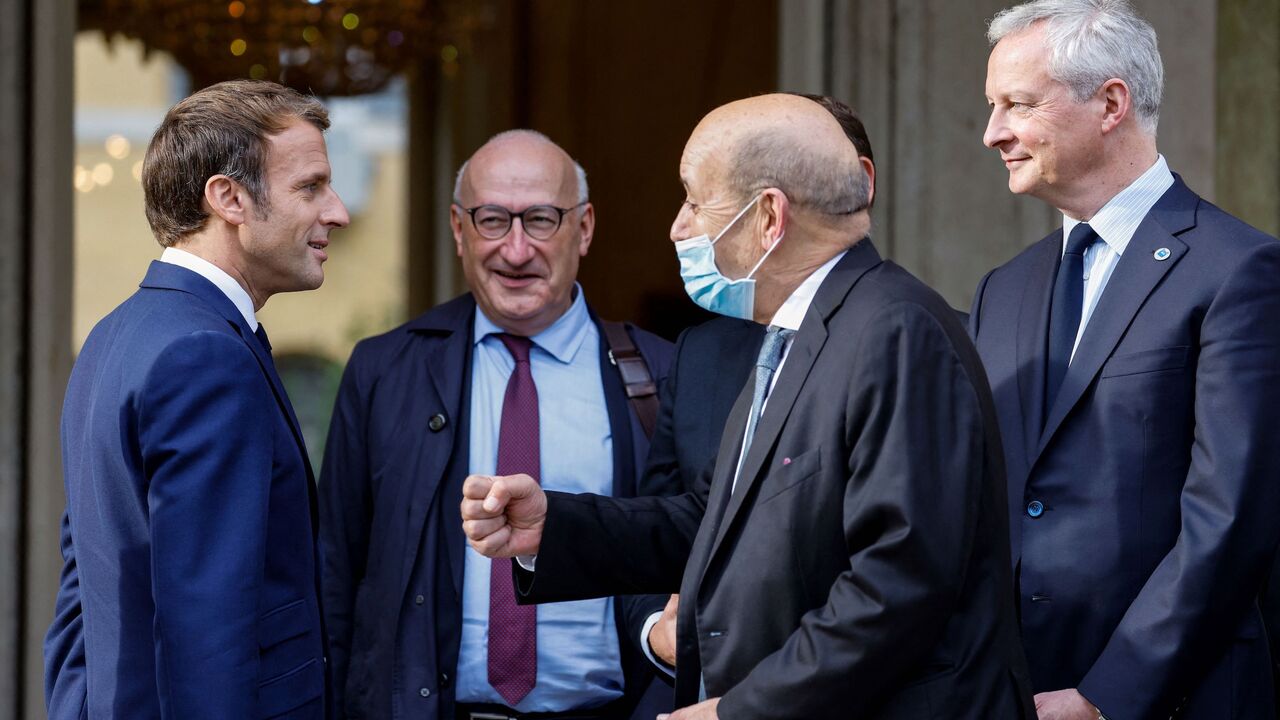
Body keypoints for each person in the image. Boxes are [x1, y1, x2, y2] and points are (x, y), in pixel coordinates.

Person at [463, 93, 1034, 719]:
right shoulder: (800, 333)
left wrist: (740, 711)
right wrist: (553, 527)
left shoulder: (895, 331)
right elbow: (712, 521)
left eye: (693, 199)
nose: (679, 227)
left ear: (768, 217)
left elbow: (897, 586)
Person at [973, 1, 1280, 718]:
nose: (993, 133)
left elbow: (1231, 518)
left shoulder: (1241, 270)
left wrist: (1106, 696)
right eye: (992, 107)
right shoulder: (1003, 288)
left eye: (1017, 104)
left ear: (1111, 102)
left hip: (1169, 696)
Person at [318, 129, 674, 720]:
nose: (514, 250)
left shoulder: (663, 378)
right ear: (458, 230)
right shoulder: (385, 373)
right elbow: (334, 574)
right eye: (491, 220)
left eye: (540, 219)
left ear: (584, 229)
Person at [43, 79, 349, 719]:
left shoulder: (113, 335)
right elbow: (209, 622)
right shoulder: (205, 354)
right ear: (229, 198)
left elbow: (84, 592)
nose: (337, 212)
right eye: (310, 187)